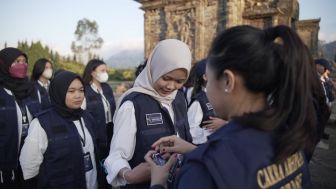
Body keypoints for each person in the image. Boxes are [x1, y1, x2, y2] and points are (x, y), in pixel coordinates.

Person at [144, 25, 328, 189]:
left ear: (227, 81)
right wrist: (193, 149)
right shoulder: (289, 132)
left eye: (210, 80)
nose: (206, 90)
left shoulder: (202, 169)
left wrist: (159, 182)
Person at [104, 39, 193, 189]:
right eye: (166, 78)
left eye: (179, 81)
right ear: (154, 68)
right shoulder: (133, 104)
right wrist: (129, 175)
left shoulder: (179, 98)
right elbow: (115, 156)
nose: (171, 86)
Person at [19, 71, 105, 189]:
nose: (78, 95)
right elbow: (29, 165)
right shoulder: (43, 123)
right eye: (71, 91)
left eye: (81, 90)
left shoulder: (87, 117)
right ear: (59, 92)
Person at [0, 47, 41, 188]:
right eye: (17, 61)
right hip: (7, 158)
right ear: (4, 64)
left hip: (31, 152)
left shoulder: (30, 89)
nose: (22, 65)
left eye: (24, 61)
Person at [82, 59, 116, 189]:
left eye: (105, 70)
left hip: (110, 129)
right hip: (96, 133)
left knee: (110, 161)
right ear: (92, 72)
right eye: (102, 71)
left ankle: (110, 183)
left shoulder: (106, 87)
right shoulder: (85, 90)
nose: (105, 73)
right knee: (99, 162)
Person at [187, 59, 226, 144]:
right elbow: (192, 131)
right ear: (205, 77)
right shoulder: (199, 101)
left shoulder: (221, 95)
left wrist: (224, 125)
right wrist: (211, 134)